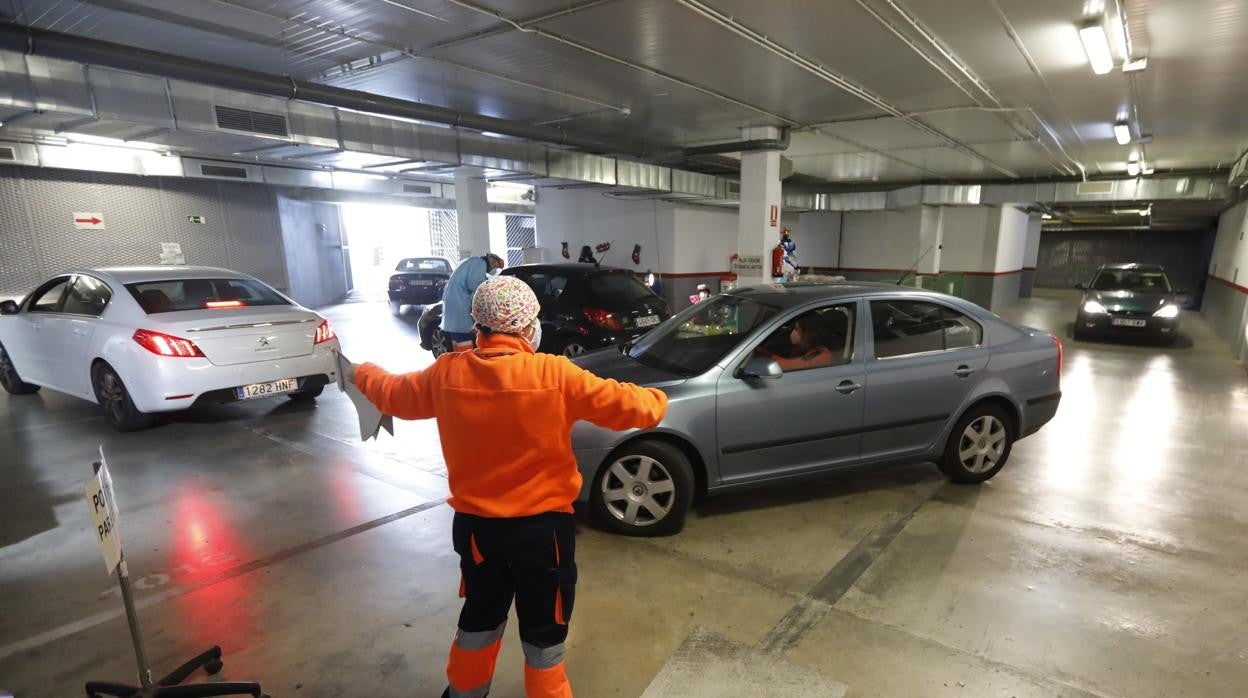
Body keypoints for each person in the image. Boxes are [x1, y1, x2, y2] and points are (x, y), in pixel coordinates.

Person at [340, 275, 668, 698]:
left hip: (478, 531)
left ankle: (464, 693)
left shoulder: (446, 373)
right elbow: (632, 407)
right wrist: (658, 398)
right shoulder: (554, 373)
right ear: (528, 327)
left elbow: (393, 394)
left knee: (479, 616)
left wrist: (361, 372)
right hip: (542, 533)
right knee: (544, 629)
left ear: (480, 327)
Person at [442, 253, 505, 351]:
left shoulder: (474, 261)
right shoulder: (480, 263)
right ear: (491, 260)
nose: (493, 267)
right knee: (463, 337)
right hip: (460, 303)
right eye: (494, 265)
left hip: (454, 303)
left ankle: (459, 361)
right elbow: (477, 288)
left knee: (457, 339)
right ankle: (465, 361)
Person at [756, 314, 837, 372]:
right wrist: (766, 353)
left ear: (808, 333)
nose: (794, 332)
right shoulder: (809, 350)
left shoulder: (823, 357)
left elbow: (788, 366)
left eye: (797, 329)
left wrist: (767, 355)